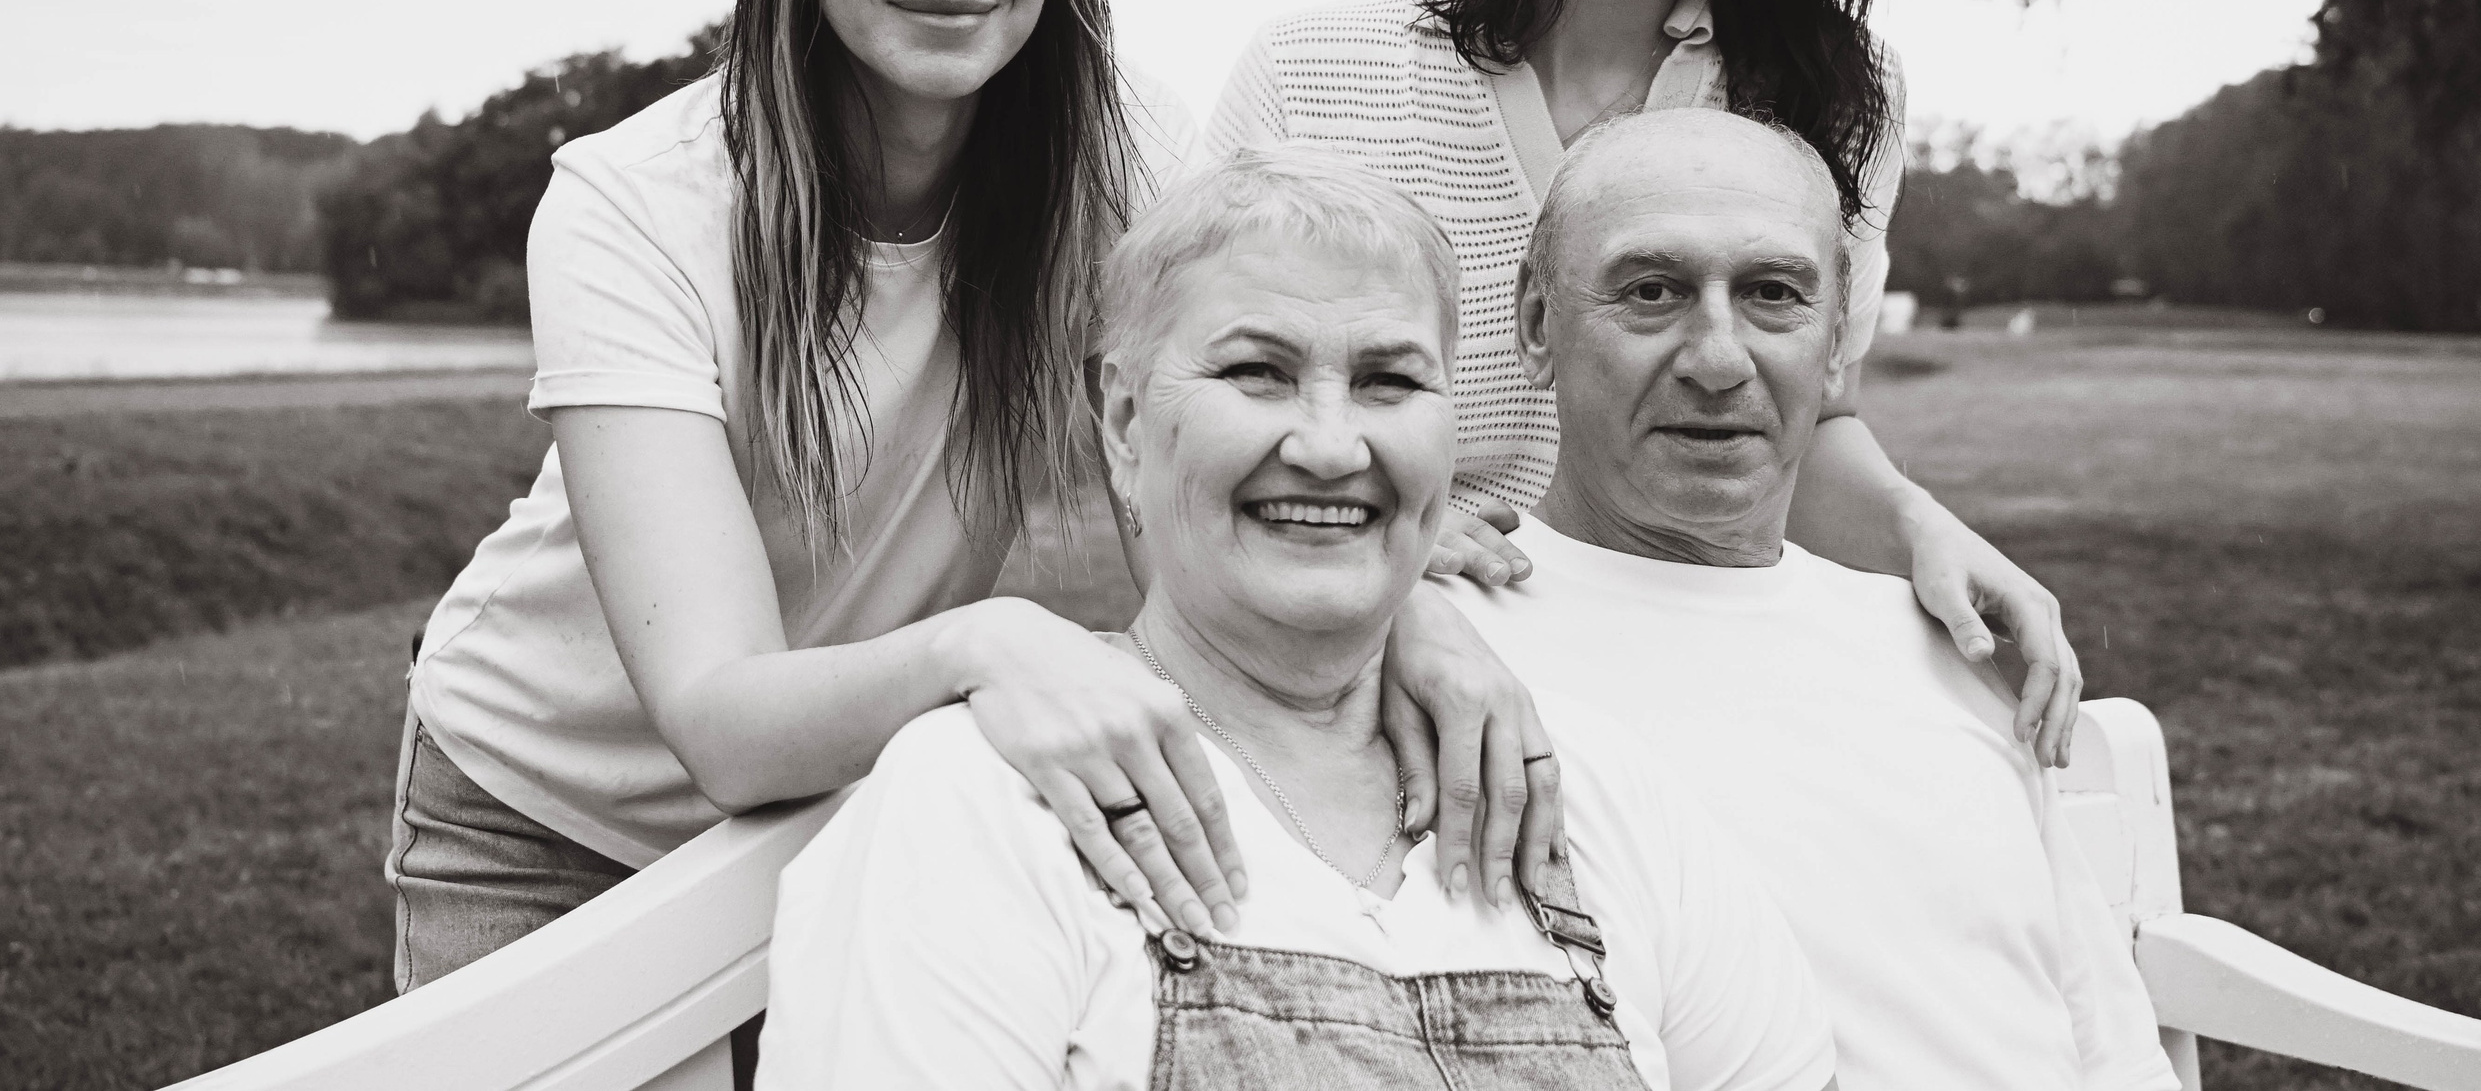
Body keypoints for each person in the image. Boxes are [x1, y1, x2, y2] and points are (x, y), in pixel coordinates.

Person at [388, 0, 1554, 1004]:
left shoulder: (1124, 155)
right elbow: (719, 714)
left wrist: (1406, 612)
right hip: (550, 824)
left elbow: (1206, 474)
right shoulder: (632, 204)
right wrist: (983, 641)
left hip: (859, 795)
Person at [1200, 0, 2081, 762]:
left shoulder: (1837, 92)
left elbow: (1804, 419)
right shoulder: (1315, 72)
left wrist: (1924, 528)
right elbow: (1195, 425)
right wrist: (1393, 567)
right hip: (1360, 690)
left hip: (1695, 696)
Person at [759, 148, 1839, 1091]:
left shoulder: (1592, 792)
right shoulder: (985, 804)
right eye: (1256, 372)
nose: (1330, 444)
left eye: (1387, 379)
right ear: (1127, 421)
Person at [1445, 106, 2180, 1091]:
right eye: (1652, 290)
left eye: (1772, 293)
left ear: (1836, 338)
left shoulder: (1937, 643)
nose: (1717, 357)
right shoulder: (1452, 656)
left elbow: (2108, 1040)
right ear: (1537, 323)